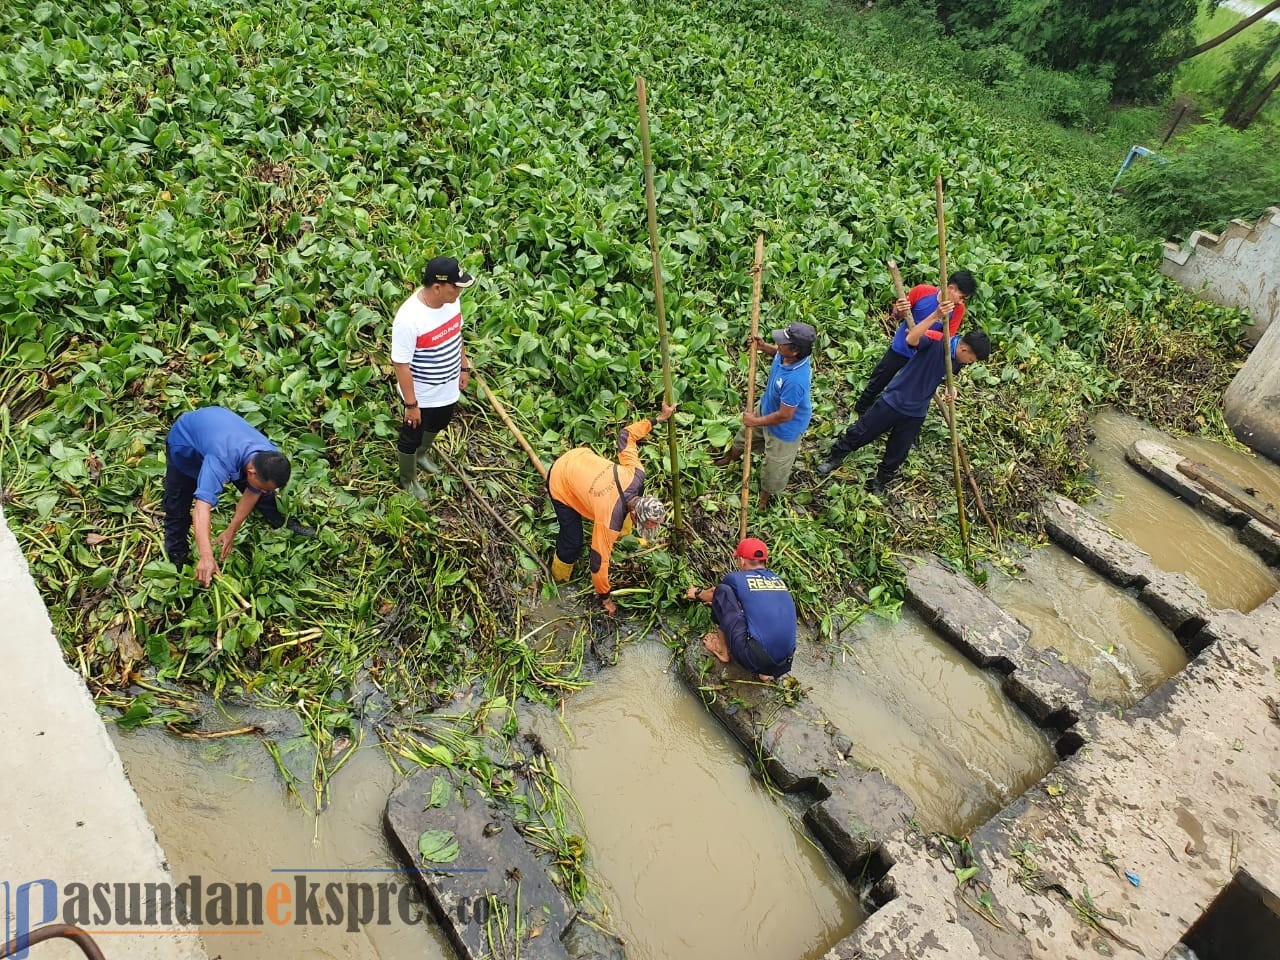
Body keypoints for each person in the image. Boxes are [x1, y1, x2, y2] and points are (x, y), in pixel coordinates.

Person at [817, 302, 991, 493]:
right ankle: (835, 457)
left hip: (916, 412)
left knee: (898, 451)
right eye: (971, 360)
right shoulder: (936, 341)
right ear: (965, 350)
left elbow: (944, 376)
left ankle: (880, 482)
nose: (969, 364)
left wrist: (951, 389)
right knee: (862, 431)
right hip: (894, 400)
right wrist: (935, 315)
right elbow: (912, 338)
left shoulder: (958, 361)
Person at [546, 402, 676, 615]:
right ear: (635, 513)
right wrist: (605, 598)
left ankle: (624, 536)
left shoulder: (637, 475)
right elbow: (598, 564)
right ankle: (558, 578)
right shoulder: (609, 521)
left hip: (581, 459)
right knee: (573, 542)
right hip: (562, 480)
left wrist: (657, 419)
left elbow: (626, 435)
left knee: (617, 514)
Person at [163, 406, 313, 587]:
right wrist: (206, 556)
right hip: (185, 446)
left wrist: (231, 531)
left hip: (220, 428)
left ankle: (281, 521)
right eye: (263, 487)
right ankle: (178, 557)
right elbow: (201, 509)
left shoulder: (269, 454)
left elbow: (254, 491)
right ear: (251, 472)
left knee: (264, 495)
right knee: (177, 506)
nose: (263, 490)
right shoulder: (220, 460)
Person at [391, 256, 475, 498]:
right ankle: (408, 479)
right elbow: (400, 363)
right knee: (411, 436)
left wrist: (463, 366)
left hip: (447, 386)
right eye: (455, 286)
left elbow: (457, 334)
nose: (459, 291)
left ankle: (422, 454)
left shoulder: (452, 303)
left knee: (440, 422)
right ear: (437, 287)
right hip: (422, 393)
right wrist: (411, 404)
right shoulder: (409, 319)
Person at [712, 321, 816, 510]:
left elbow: (785, 415)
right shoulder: (786, 355)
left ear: (794, 351)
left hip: (785, 428)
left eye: (782, 343)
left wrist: (755, 421)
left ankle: (764, 500)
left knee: (774, 469)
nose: (778, 344)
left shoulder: (796, 380)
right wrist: (762, 346)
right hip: (767, 408)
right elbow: (777, 354)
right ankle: (729, 459)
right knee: (742, 439)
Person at [854, 269, 976, 416]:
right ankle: (861, 408)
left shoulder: (958, 310)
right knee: (880, 378)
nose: (961, 302)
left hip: (921, 356)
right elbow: (898, 315)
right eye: (961, 297)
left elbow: (947, 337)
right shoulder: (922, 291)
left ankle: (888, 415)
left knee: (906, 390)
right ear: (951, 289)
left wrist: (919, 333)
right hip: (901, 347)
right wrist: (898, 310)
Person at [684, 537, 796, 680]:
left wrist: (697, 593)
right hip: (784, 663)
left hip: (753, 658)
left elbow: (714, 594)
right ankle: (764, 675)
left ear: (742, 561)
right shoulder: (778, 580)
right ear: (765, 561)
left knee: (722, 592)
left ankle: (722, 651)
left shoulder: (735, 579)